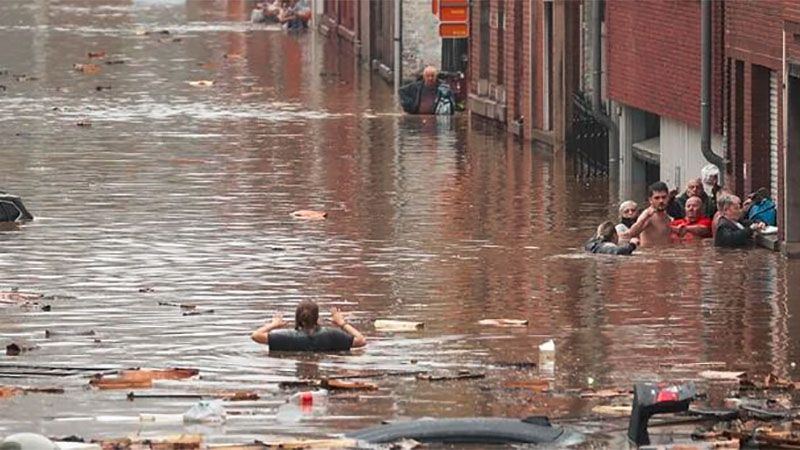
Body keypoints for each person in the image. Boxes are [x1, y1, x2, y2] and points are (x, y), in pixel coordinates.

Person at [251, 300, 366, 351]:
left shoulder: (286, 337)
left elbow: (256, 335)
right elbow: (361, 341)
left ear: (297, 318)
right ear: (317, 318)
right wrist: (342, 323)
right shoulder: (333, 336)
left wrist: (273, 324)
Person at [620, 181, 673, 247]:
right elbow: (632, 233)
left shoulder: (667, 216)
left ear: (668, 198)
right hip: (649, 255)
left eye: (663, 197)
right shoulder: (647, 215)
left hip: (664, 254)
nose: (661, 201)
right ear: (650, 200)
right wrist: (644, 218)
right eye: (657, 198)